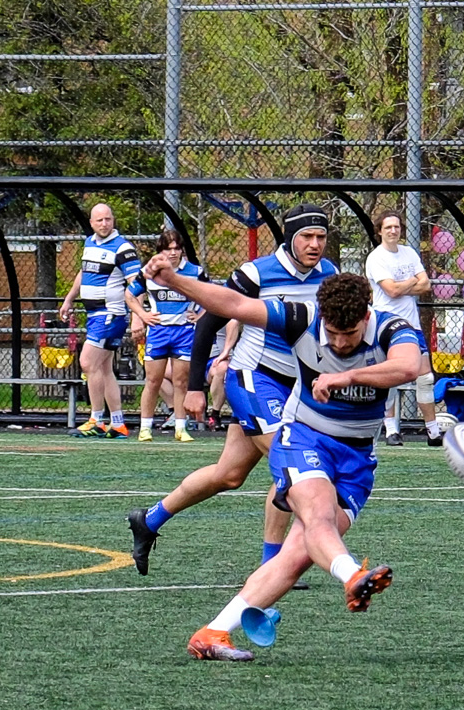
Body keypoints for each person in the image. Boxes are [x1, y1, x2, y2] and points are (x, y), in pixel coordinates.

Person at [138, 255, 420, 661]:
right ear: (321, 316)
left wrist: (347, 375)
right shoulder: (300, 317)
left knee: (297, 557)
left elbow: (409, 367)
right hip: (304, 439)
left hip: (357, 460)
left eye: (350, 334)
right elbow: (232, 304)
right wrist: (173, 279)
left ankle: (212, 633)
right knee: (318, 517)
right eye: (333, 333)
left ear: (367, 316)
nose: (340, 343)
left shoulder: (393, 329)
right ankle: (353, 575)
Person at [127, 204, 337, 575]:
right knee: (293, 464)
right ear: (290, 238)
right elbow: (209, 322)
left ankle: (149, 519)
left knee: (229, 474)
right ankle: (274, 566)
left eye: (321, 237)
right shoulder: (256, 272)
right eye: (307, 236)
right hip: (254, 377)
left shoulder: (329, 274)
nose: (315, 244)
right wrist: (195, 388)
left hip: (297, 387)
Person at [58, 204, 152, 438]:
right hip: (94, 314)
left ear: (113, 220)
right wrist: (69, 299)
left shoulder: (122, 248)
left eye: (108, 219)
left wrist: (137, 317)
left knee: (87, 362)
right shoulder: (90, 243)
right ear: (91, 223)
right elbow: (83, 272)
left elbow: (137, 284)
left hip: (110, 314)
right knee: (103, 368)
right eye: (99, 220)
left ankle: (97, 419)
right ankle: (118, 422)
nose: (104, 224)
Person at [363, 210, 442, 447]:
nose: (393, 231)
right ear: (380, 231)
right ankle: (391, 430)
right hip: (387, 324)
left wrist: (403, 285)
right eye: (388, 227)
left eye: (396, 227)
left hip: (413, 324)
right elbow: (392, 291)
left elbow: (426, 283)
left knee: (425, 377)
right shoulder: (376, 258)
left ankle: (433, 430)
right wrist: (410, 282)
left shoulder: (409, 253)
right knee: (392, 377)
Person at [135, 229, 204, 443]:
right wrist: (142, 314)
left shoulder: (195, 272)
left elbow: (212, 296)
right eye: (168, 249)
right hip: (158, 332)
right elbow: (129, 294)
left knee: (181, 381)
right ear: (161, 251)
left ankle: (181, 427)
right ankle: (145, 427)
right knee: (153, 380)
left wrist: (199, 315)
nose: (173, 253)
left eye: (176, 248)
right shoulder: (148, 272)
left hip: (184, 332)